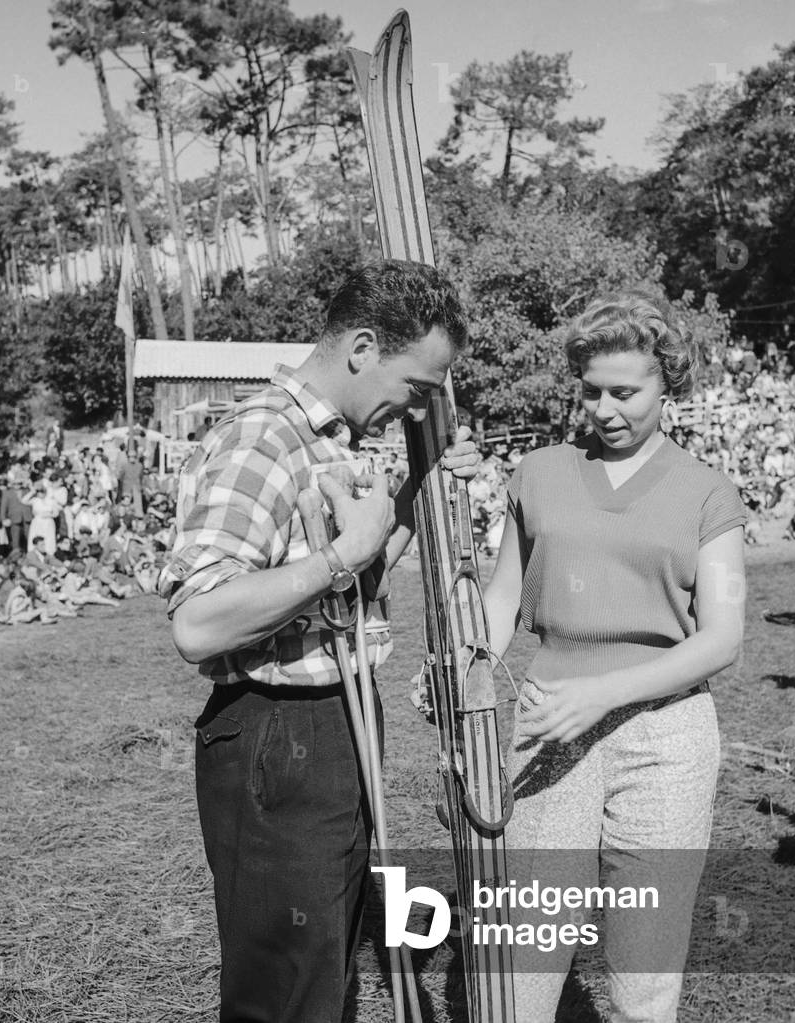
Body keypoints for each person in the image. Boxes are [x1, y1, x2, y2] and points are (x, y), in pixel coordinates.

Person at [158, 260, 481, 1023]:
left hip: (339, 721)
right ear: (364, 346)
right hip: (278, 730)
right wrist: (342, 553)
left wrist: (418, 487)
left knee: (324, 976)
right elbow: (198, 623)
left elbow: (341, 592)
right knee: (286, 996)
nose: (419, 407)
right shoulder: (261, 437)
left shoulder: (332, 441)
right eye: (421, 386)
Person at [483, 291, 746, 1023]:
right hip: (547, 726)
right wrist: (467, 657)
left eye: (625, 391)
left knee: (644, 977)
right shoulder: (538, 474)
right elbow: (502, 596)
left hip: (666, 740)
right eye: (591, 390)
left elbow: (721, 637)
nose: (604, 408)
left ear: (668, 382)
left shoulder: (707, 493)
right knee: (526, 960)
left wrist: (605, 695)